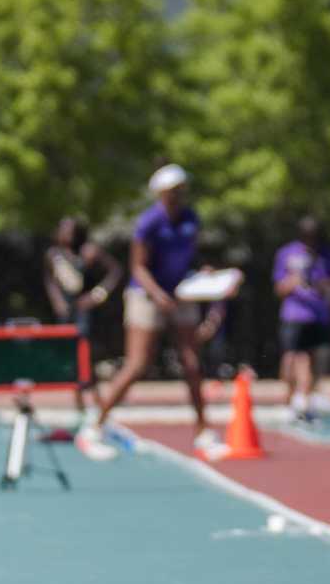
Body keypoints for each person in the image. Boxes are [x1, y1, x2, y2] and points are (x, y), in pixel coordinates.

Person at [80, 165, 214, 456]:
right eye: (173, 191)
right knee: (138, 364)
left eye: (181, 190)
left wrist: (201, 272)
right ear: (162, 194)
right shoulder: (149, 223)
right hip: (146, 295)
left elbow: (190, 254)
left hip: (181, 293)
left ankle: (203, 430)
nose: (179, 196)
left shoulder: (191, 218)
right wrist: (157, 295)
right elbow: (138, 267)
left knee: (192, 363)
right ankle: (95, 426)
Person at [44, 216, 123, 415]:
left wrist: (98, 294)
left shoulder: (88, 251)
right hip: (66, 311)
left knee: (85, 353)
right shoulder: (54, 255)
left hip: (84, 310)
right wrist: (57, 302)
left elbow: (115, 270)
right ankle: (78, 402)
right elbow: (49, 281)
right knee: (70, 355)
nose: (66, 234)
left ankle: (98, 400)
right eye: (63, 230)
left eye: (70, 230)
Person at [273, 216, 330, 422]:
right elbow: (278, 288)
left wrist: (329, 285)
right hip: (294, 314)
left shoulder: (327, 255)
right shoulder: (287, 253)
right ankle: (290, 400)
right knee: (293, 356)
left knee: (315, 358)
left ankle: (306, 397)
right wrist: (293, 281)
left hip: (319, 314)